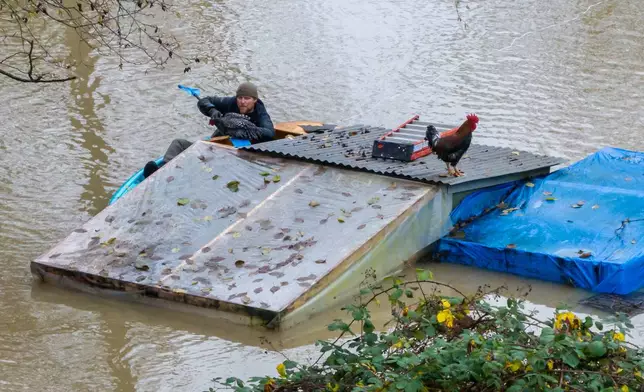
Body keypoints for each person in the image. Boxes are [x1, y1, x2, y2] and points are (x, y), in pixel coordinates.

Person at [143, 82, 275, 178]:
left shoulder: (261, 113)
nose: (242, 102)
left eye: (247, 98)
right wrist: (212, 109)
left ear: (255, 100)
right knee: (178, 143)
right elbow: (205, 101)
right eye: (240, 98)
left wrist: (244, 131)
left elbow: (270, 133)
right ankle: (160, 172)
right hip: (219, 140)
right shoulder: (231, 102)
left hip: (237, 152)